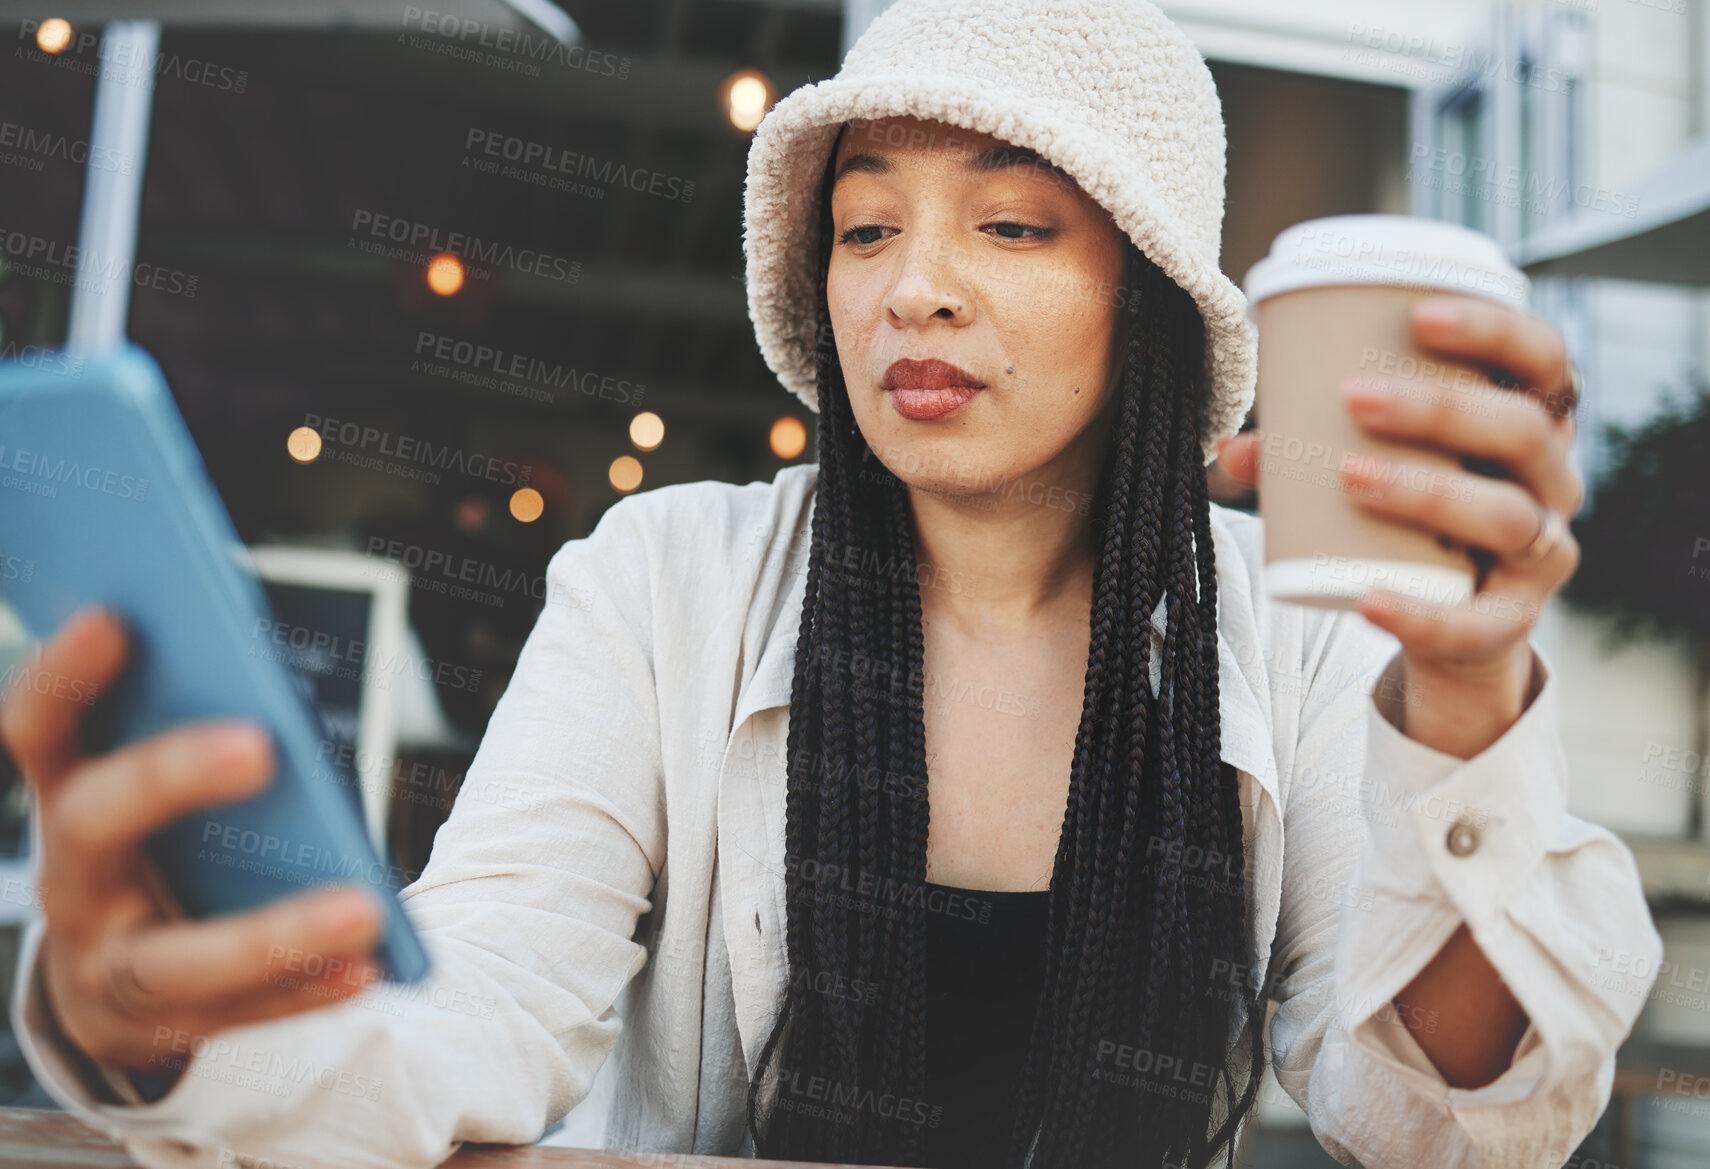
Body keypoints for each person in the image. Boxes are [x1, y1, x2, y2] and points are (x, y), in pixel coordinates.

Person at [2, 3, 1661, 1168]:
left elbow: (1439, 1121)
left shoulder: (1289, 633)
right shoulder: (666, 577)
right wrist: (174, 1026)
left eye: (1008, 228)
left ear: (1146, 300)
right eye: (865, 232)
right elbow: (485, 1003)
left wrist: (1463, 701)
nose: (914, 290)